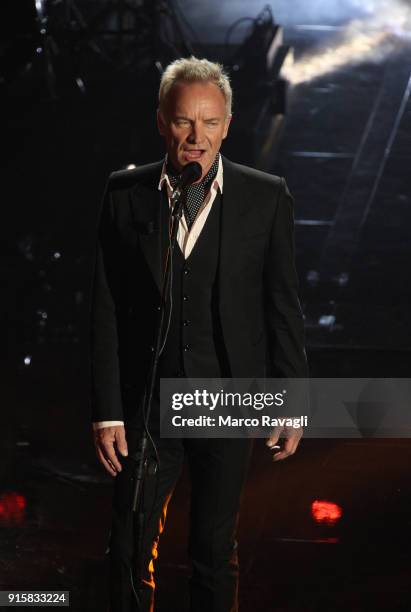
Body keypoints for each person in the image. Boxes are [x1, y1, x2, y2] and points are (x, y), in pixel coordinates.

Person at [90, 56, 308, 612]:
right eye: (185, 121)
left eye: (210, 123)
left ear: (228, 125)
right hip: (146, 400)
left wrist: (292, 399)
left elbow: (283, 304)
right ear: (162, 122)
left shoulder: (265, 196)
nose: (197, 136)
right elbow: (107, 306)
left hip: (226, 396)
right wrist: (108, 408)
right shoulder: (125, 193)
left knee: (213, 548)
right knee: (129, 546)